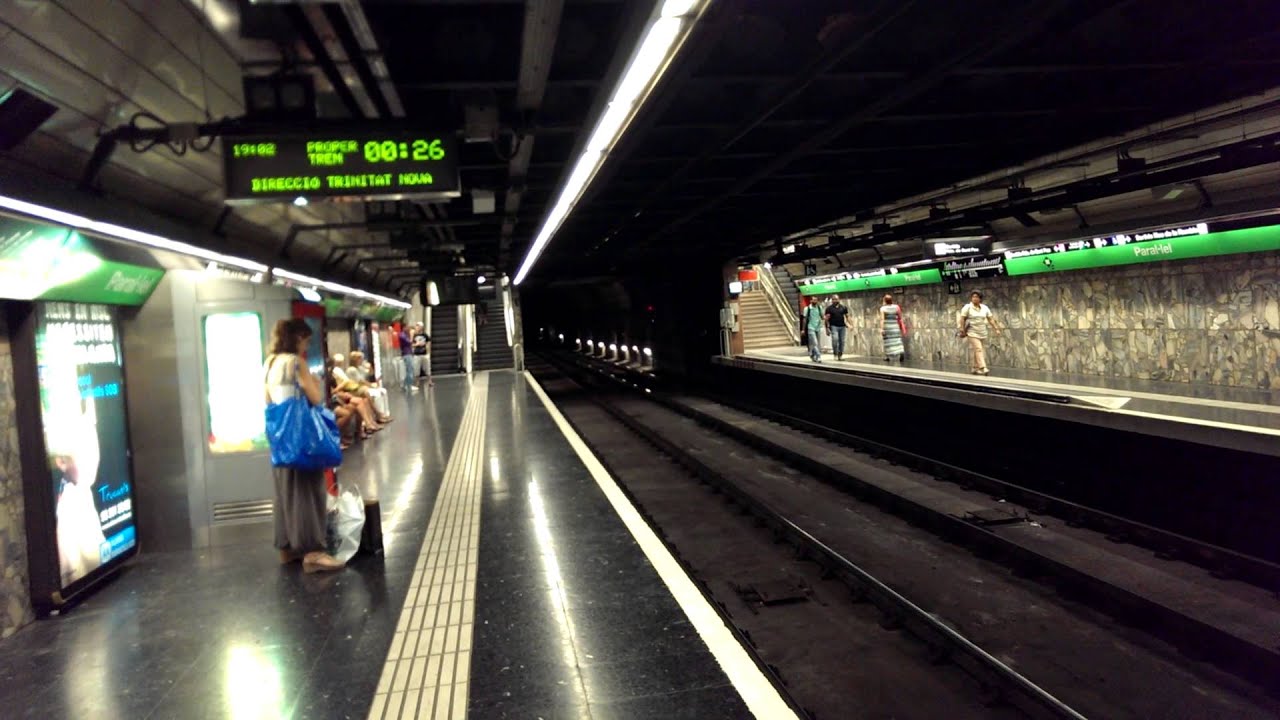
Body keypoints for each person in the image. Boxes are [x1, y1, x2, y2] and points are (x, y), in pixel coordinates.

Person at [264, 318, 342, 573]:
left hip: (280, 440)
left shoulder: (270, 363)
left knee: (284, 493)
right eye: (306, 340)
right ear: (297, 338)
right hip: (303, 440)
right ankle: (313, 553)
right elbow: (316, 398)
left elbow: (268, 400)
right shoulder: (296, 363)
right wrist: (315, 385)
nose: (307, 346)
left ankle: (287, 550)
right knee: (309, 493)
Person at [958, 291, 1002, 375]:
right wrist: (961, 328)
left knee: (977, 350)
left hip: (982, 331)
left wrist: (996, 329)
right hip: (972, 331)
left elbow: (990, 319)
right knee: (978, 349)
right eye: (973, 297)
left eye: (977, 297)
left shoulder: (985, 308)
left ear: (980, 299)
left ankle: (975, 368)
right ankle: (983, 367)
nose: (974, 298)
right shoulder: (967, 307)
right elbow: (962, 318)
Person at [879, 293, 906, 363]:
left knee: (888, 342)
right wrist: (902, 327)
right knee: (897, 341)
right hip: (895, 326)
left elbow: (882, 319)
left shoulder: (883, 309)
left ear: (885, 300)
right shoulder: (896, 307)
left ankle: (887, 356)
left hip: (887, 327)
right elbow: (900, 318)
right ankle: (901, 353)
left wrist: (881, 328)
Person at [824, 296, 850, 361]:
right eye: (833, 299)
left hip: (842, 326)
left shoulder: (843, 307)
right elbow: (826, 319)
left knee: (842, 341)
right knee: (835, 340)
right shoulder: (829, 309)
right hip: (833, 326)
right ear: (832, 300)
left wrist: (850, 324)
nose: (835, 300)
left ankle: (840, 354)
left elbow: (847, 316)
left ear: (839, 299)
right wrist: (827, 328)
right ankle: (835, 353)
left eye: (836, 299)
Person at [412, 323, 434, 388]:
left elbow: (428, 343)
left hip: (424, 354)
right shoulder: (414, 335)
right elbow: (411, 344)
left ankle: (430, 381)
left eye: (418, 326)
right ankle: (417, 383)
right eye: (417, 326)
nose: (417, 328)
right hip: (417, 354)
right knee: (416, 369)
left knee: (427, 368)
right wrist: (417, 344)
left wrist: (428, 352)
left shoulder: (425, 335)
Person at [397, 323, 416, 392]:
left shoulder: (405, 335)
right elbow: (409, 342)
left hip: (409, 353)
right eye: (407, 327)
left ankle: (406, 385)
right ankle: (407, 385)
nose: (409, 329)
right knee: (409, 371)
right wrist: (411, 335)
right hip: (407, 354)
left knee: (410, 370)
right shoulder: (402, 335)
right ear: (404, 327)